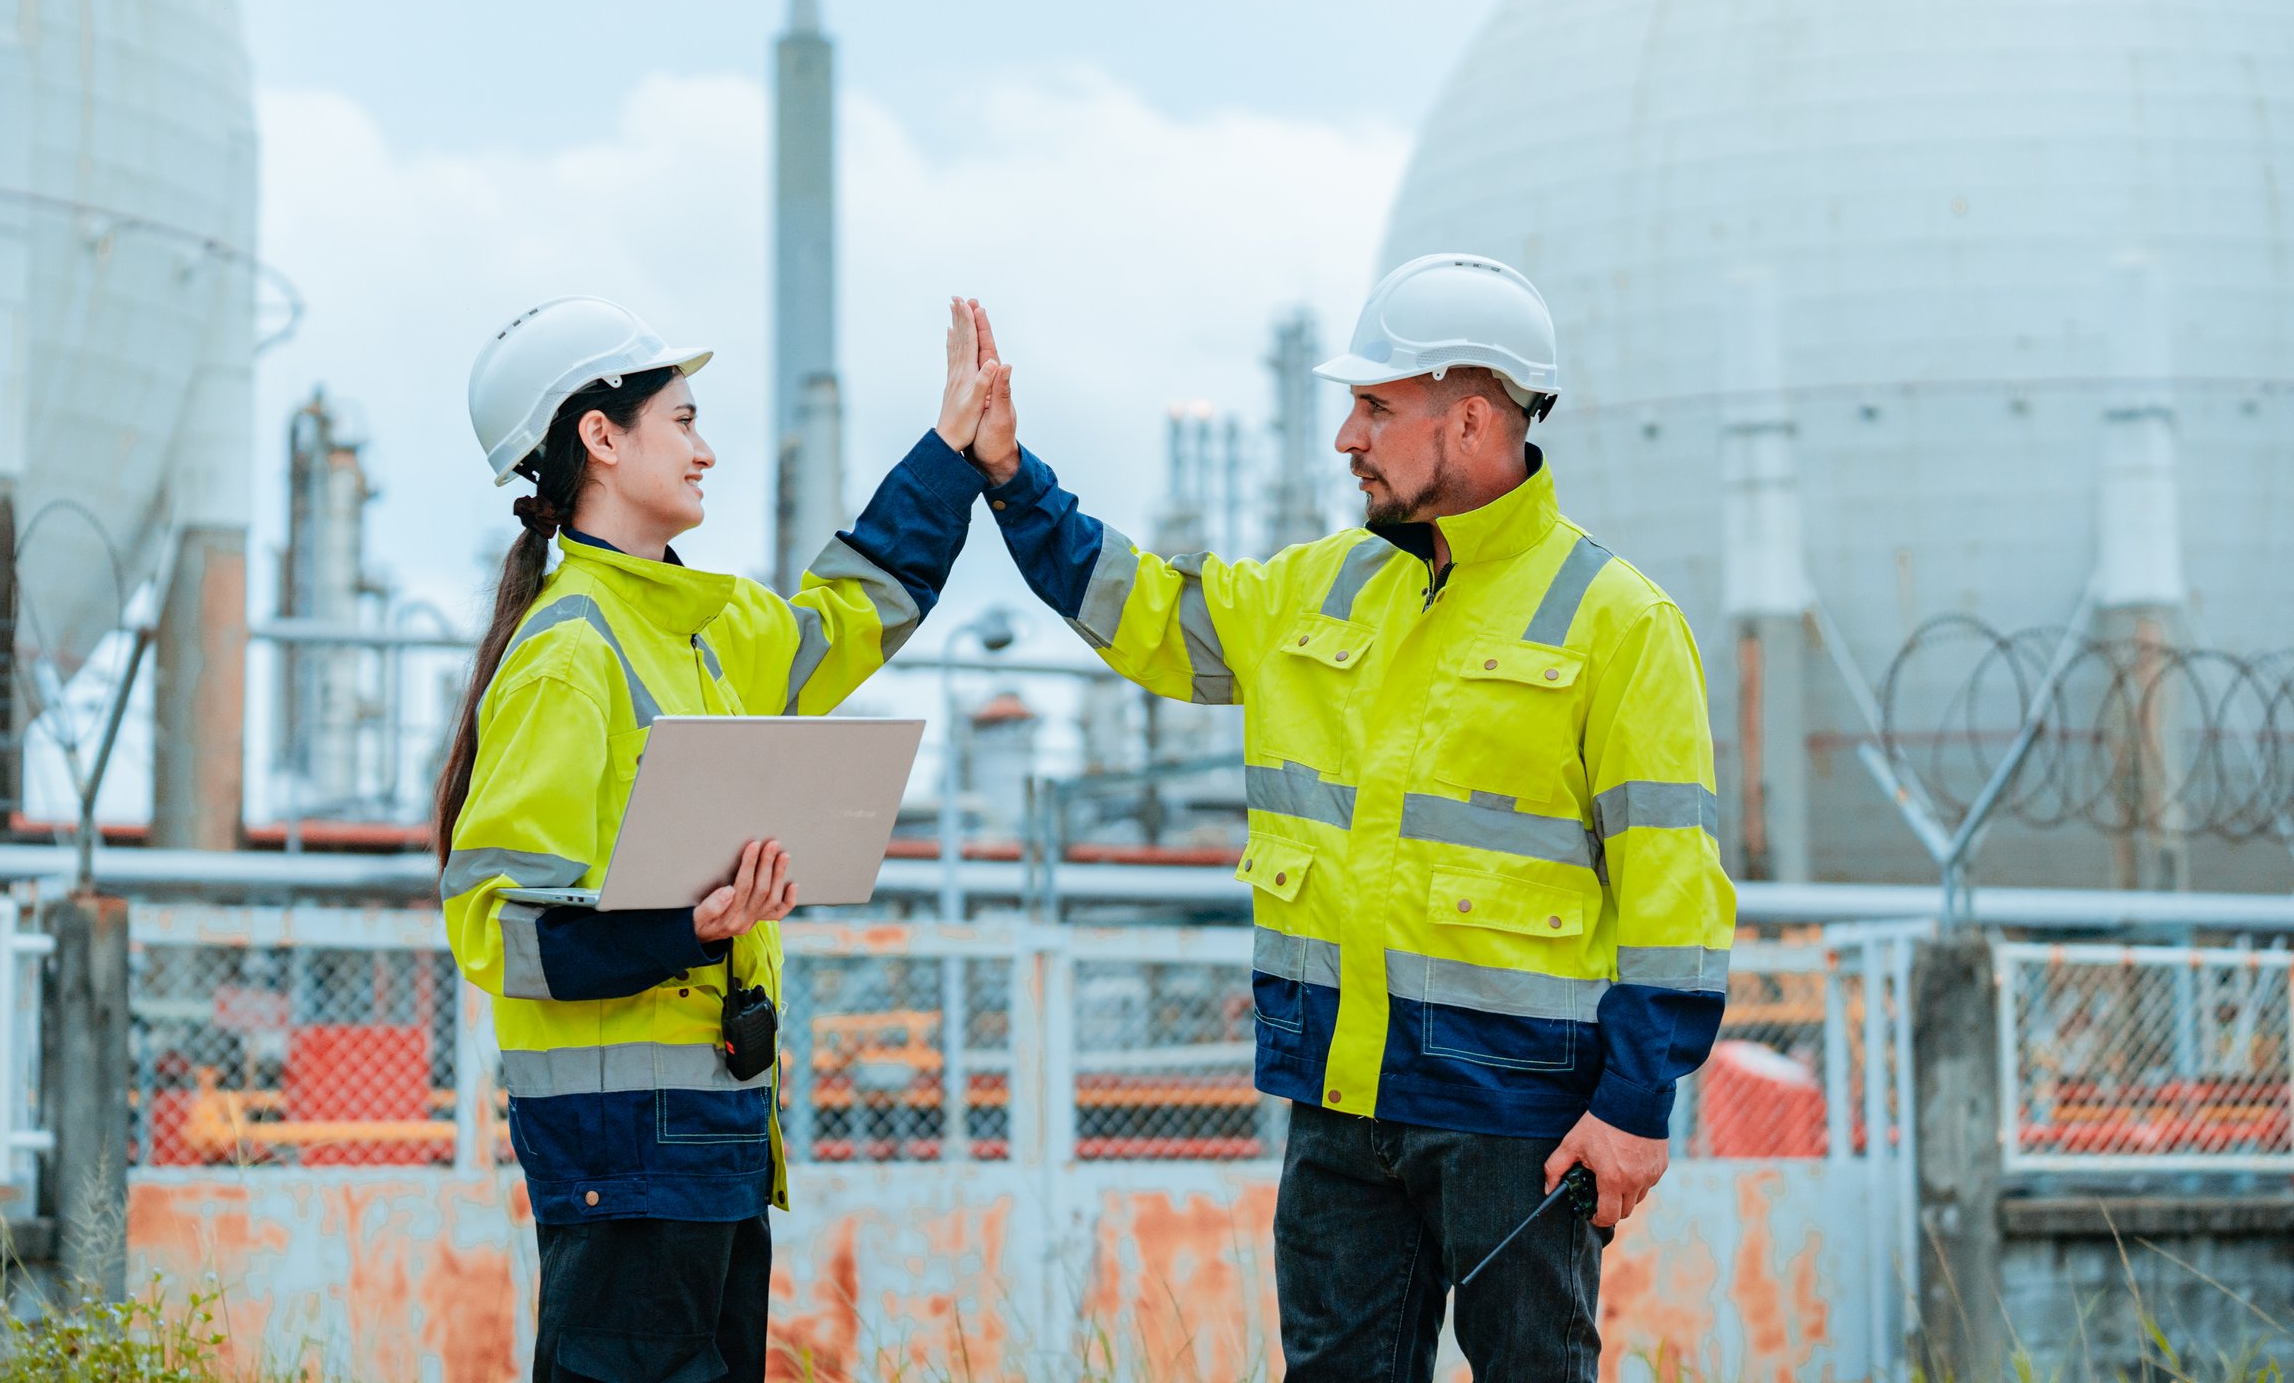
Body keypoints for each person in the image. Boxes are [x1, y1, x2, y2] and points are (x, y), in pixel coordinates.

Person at [956, 257, 1736, 1382]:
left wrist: (1634, 1107)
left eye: (1375, 407)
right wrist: (1011, 479)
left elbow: (1675, 892)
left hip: (1518, 1115)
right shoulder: (1313, 590)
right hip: (1336, 1101)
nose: (1345, 438)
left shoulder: (1617, 623)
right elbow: (1140, 612)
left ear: (1470, 419)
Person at [436, 295, 1009, 1383]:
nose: (707, 450)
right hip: (622, 1148)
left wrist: (951, 456)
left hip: (713, 1135)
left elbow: (853, 613)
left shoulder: (703, 628)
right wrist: (687, 927)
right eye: (684, 420)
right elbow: (497, 931)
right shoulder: (573, 653)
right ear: (601, 437)